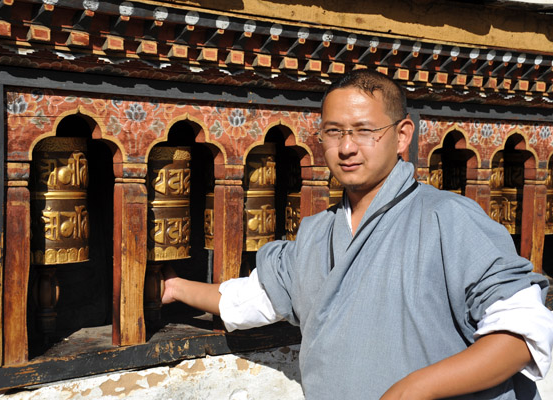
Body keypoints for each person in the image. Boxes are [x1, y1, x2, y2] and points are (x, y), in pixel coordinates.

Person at [162, 69, 553, 399]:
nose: (346, 147)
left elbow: (521, 335)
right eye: (334, 132)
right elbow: (250, 299)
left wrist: (414, 389)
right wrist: (175, 287)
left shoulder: (448, 219)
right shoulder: (317, 235)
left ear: (402, 136)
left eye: (364, 130)